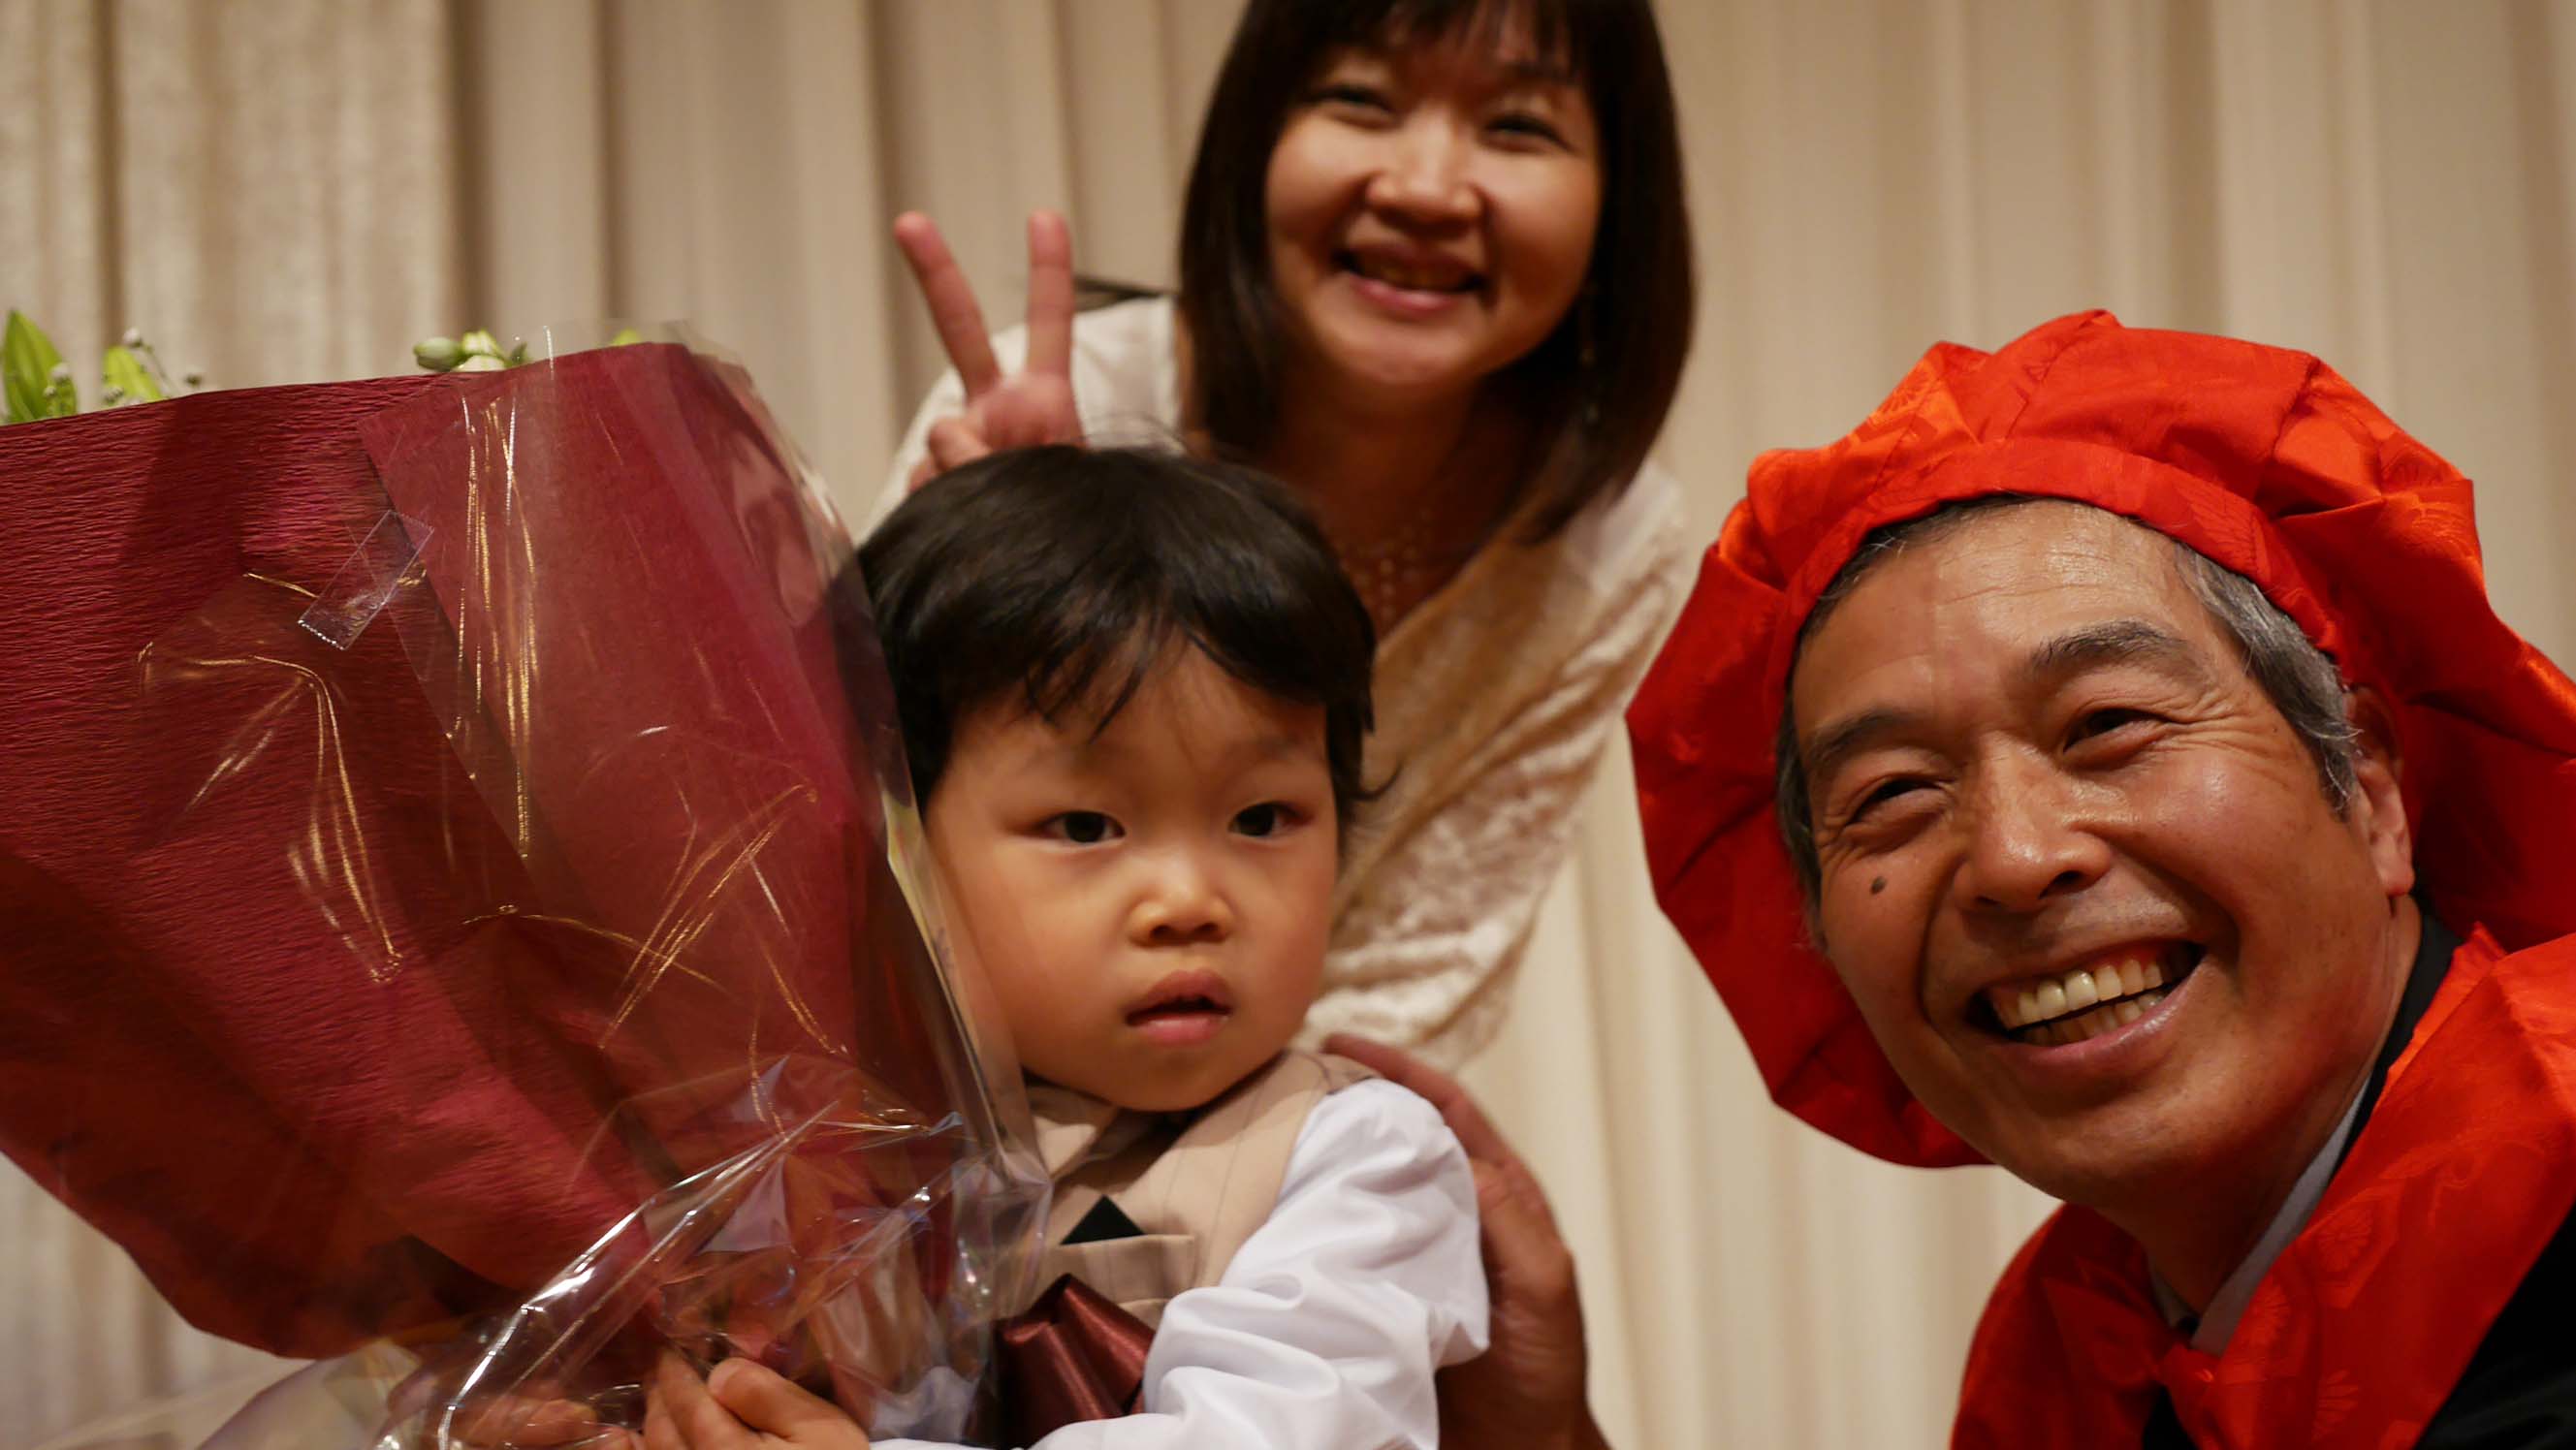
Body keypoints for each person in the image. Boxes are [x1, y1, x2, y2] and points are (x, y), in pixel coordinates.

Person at [1606, 310, 2576, 1445]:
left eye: (2107, 724)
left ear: (2366, 784)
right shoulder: (2078, 1352)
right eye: (1892, 792)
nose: (2014, 859)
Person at [875, 0, 1696, 1067]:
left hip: (1299, 1123)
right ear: (1255, 137)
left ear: (1617, 205)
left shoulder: (1604, 542)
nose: (1424, 188)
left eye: (1517, 126)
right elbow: (847, 870)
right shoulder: (1055, 399)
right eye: (1361, 99)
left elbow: (1415, 983)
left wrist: (1282, 1149)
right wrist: (1005, 565)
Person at [641, 446, 1487, 1449]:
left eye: (1261, 818)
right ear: (899, 849)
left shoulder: (1359, 1156)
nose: (1188, 902)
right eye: (1086, 827)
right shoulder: (830, 1147)